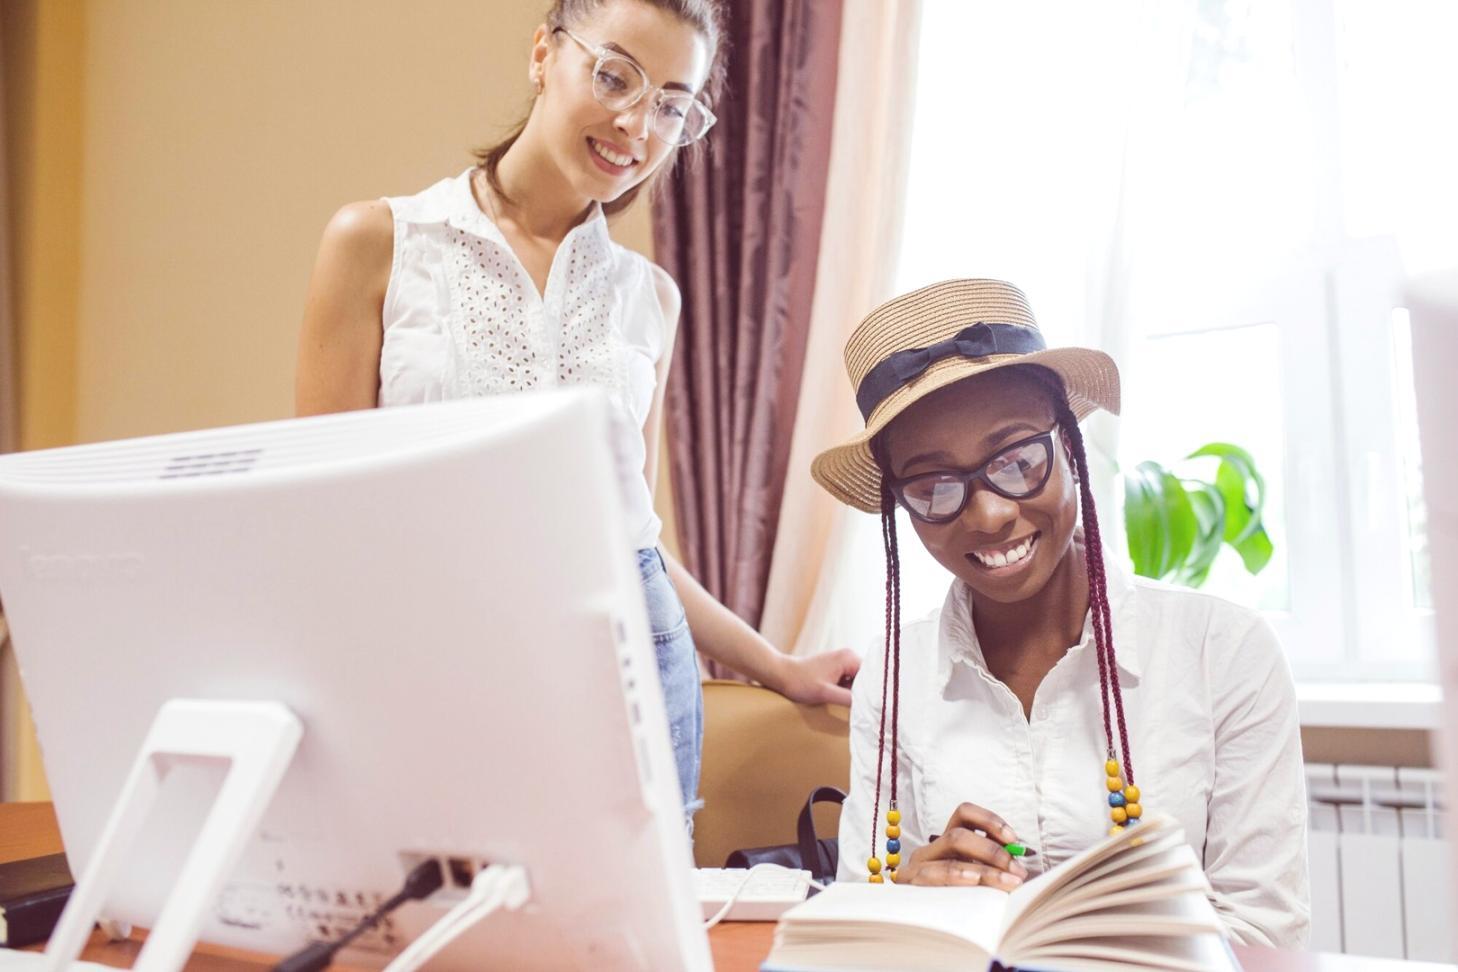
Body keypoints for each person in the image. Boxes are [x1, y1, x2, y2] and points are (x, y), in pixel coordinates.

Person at [294, 0, 859, 824]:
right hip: (428, 672)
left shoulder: (648, 300)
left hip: (626, 683)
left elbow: (635, 541)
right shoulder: (380, 243)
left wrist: (777, 664)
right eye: (614, 75)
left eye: (672, 104)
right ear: (542, 54)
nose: (637, 123)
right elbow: (319, 516)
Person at [811, 278, 1309, 946]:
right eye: (934, 486)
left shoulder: (1223, 653)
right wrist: (908, 903)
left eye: (1017, 459)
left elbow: (1267, 938)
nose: (990, 514)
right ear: (902, 505)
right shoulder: (894, 678)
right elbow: (859, 926)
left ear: (1070, 446)